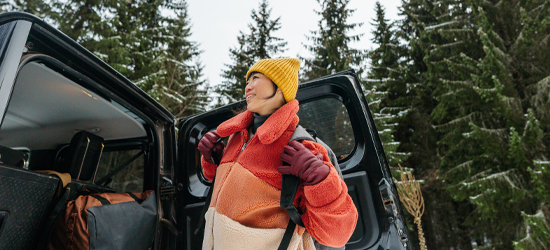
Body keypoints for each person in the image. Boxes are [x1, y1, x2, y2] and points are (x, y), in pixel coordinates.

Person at [198, 58, 358, 250]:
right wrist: (213, 160)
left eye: (255, 78)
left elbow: (338, 235)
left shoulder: (302, 147)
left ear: (280, 86)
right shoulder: (236, 137)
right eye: (247, 82)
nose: (248, 87)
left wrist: (319, 177)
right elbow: (232, 189)